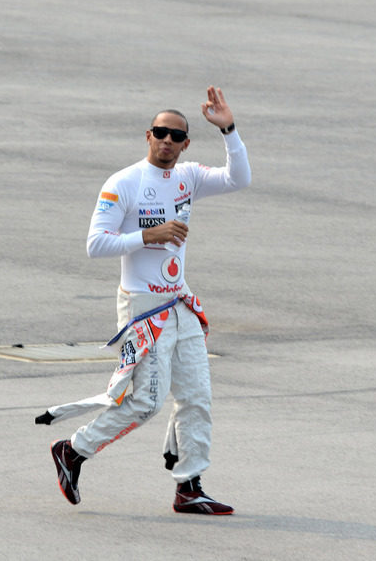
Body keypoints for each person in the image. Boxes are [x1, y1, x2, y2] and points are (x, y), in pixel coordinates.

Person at [41, 86, 251, 514]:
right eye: (161, 133)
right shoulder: (124, 183)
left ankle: (189, 485)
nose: (168, 142)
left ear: (186, 143)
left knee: (196, 396)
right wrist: (147, 236)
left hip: (179, 302)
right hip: (143, 309)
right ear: (148, 135)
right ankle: (73, 450)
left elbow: (239, 178)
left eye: (176, 136)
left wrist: (228, 129)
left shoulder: (188, 176)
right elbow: (95, 244)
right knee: (147, 401)